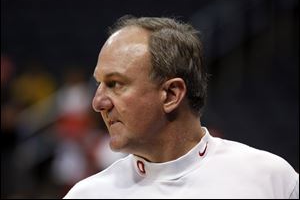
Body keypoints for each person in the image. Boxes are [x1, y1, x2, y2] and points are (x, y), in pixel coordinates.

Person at [64, 15, 299, 199]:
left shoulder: (271, 180)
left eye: (115, 84)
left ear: (171, 94)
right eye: (99, 84)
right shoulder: (87, 195)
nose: (97, 103)